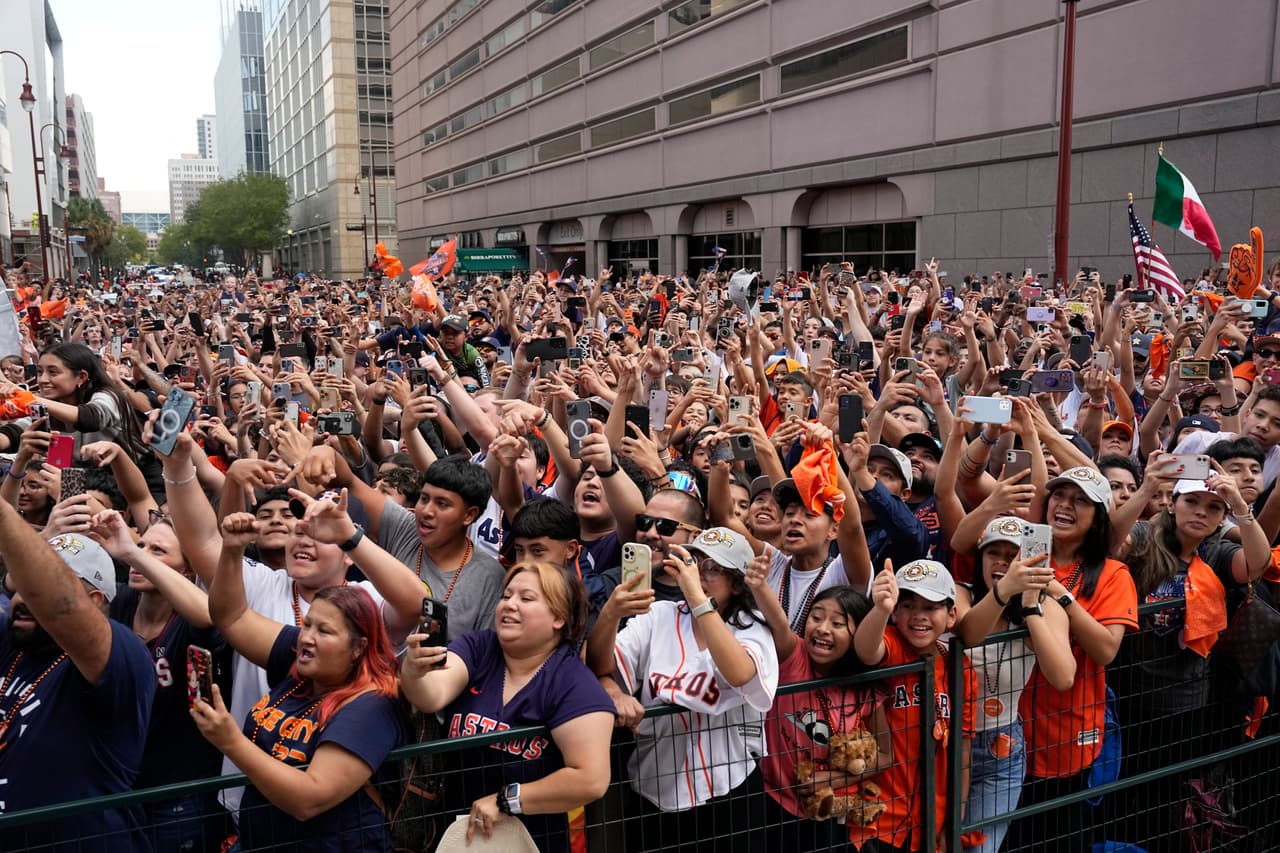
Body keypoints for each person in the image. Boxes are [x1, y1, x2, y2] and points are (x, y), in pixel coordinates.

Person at [192, 511, 409, 852]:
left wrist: (231, 741)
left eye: (324, 631)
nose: (306, 638)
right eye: (308, 625)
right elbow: (231, 616)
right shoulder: (302, 661)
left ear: (358, 648)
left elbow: (309, 799)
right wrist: (233, 551)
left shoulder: (371, 704)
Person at [587, 527, 779, 853]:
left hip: (726, 790)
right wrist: (609, 616)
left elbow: (741, 673)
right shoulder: (659, 616)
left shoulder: (750, 624)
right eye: (694, 562)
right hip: (652, 783)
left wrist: (698, 599)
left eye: (712, 569)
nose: (698, 575)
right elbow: (598, 665)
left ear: (736, 581)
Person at [400, 562, 614, 852]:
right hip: (455, 834)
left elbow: (591, 779)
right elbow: (431, 696)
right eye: (506, 596)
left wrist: (508, 800)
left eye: (526, 598)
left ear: (559, 618)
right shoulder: (480, 647)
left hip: (530, 840)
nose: (509, 605)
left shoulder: (574, 683)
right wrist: (414, 671)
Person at [0, 514, 155, 852]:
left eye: (36, 592)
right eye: (21, 588)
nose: (24, 599)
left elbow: (61, 606)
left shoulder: (123, 655)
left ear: (96, 601)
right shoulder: (13, 640)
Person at [1005, 466, 1138, 853]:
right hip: (1000, 734)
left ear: (1099, 517)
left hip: (1065, 735)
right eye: (1059, 496)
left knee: (1057, 836)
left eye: (1080, 500)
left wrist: (1061, 595)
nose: (1064, 506)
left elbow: (1106, 650)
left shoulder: (1113, 574)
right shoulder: (1016, 558)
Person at [95, 509, 230, 852]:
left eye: (158, 551)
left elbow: (209, 612)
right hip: (120, 787)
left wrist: (132, 552)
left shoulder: (190, 621)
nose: (141, 556)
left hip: (177, 794)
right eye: (141, 544)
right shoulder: (120, 601)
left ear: (186, 569)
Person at [744, 559, 889, 853]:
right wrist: (759, 586)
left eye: (837, 624)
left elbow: (886, 756)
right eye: (816, 617)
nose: (822, 629)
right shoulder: (794, 658)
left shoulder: (866, 690)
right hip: (773, 803)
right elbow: (780, 625)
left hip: (831, 813)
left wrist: (832, 778)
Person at [954, 518, 1076, 853]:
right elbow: (969, 633)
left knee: (980, 849)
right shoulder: (962, 592)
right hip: (949, 741)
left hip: (1002, 747)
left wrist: (1030, 608)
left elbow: (1064, 677)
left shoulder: (1046, 607)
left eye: (1013, 555)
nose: (1003, 562)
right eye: (993, 553)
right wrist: (1003, 590)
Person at [853, 560, 976, 853]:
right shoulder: (893, 643)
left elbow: (964, 748)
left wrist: (954, 821)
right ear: (896, 612)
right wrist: (880, 609)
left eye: (931, 607)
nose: (918, 616)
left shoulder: (960, 667)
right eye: (908, 606)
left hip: (932, 817)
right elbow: (867, 651)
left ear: (951, 616)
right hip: (879, 820)